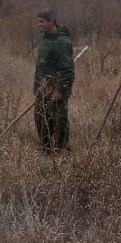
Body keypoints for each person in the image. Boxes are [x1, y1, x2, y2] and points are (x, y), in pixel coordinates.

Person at [34, 9, 75, 152]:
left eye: (42, 22)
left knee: (58, 118)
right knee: (41, 117)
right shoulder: (45, 38)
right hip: (42, 86)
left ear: (51, 22)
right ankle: (45, 148)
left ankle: (62, 149)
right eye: (38, 21)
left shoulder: (62, 42)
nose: (39, 24)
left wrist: (59, 89)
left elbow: (67, 69)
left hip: (57, 87)